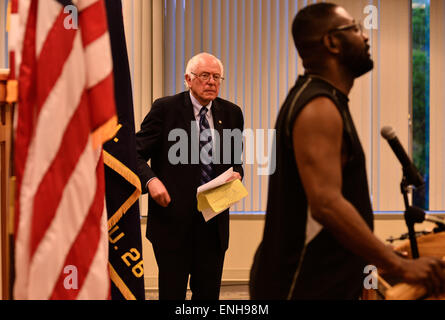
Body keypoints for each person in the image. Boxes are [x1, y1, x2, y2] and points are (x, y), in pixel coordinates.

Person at [250, 3, 445, 300]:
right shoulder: (318, 106)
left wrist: (381, 252)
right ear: (331, 42)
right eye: (355, 28)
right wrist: (399, 266)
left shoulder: (328, 100)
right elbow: (326, 204)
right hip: (300, 283)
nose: (365, 37)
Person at [136, 52, 244, 300]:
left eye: (217, 77)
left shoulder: (231, 114)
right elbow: (135, 153)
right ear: (188, 78)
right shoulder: (165, 109)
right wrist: (151, 181)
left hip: (213, 225)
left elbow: (235, 163)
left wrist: (237, 175)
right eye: (204, 75)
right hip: (173, 224)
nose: (211, 82)